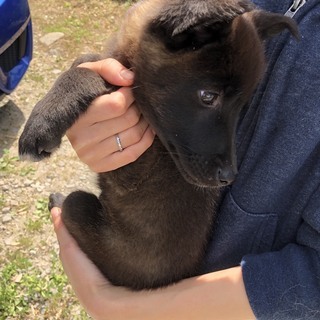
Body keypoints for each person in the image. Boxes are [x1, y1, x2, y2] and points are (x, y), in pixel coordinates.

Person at [50, 0, 320, 319]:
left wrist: (119, 307)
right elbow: (153, 32)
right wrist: (96, 112)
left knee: (77, 207)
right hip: (141, 246)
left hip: (204, 298)